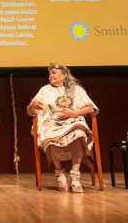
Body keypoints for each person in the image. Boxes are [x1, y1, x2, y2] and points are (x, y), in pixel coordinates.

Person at [27, 62, 98, 193]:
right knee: (48, 134)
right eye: (49, 73)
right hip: (52, 124)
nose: (50, 75)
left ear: (64, 74)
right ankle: (60, 175)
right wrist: (32, 105)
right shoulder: (44, 90)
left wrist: (74, 113)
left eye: (54, 73)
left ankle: (75, 177)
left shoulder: (77, 89)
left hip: (73, 120)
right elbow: (30, 111)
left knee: (79, 130)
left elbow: (91, 108)